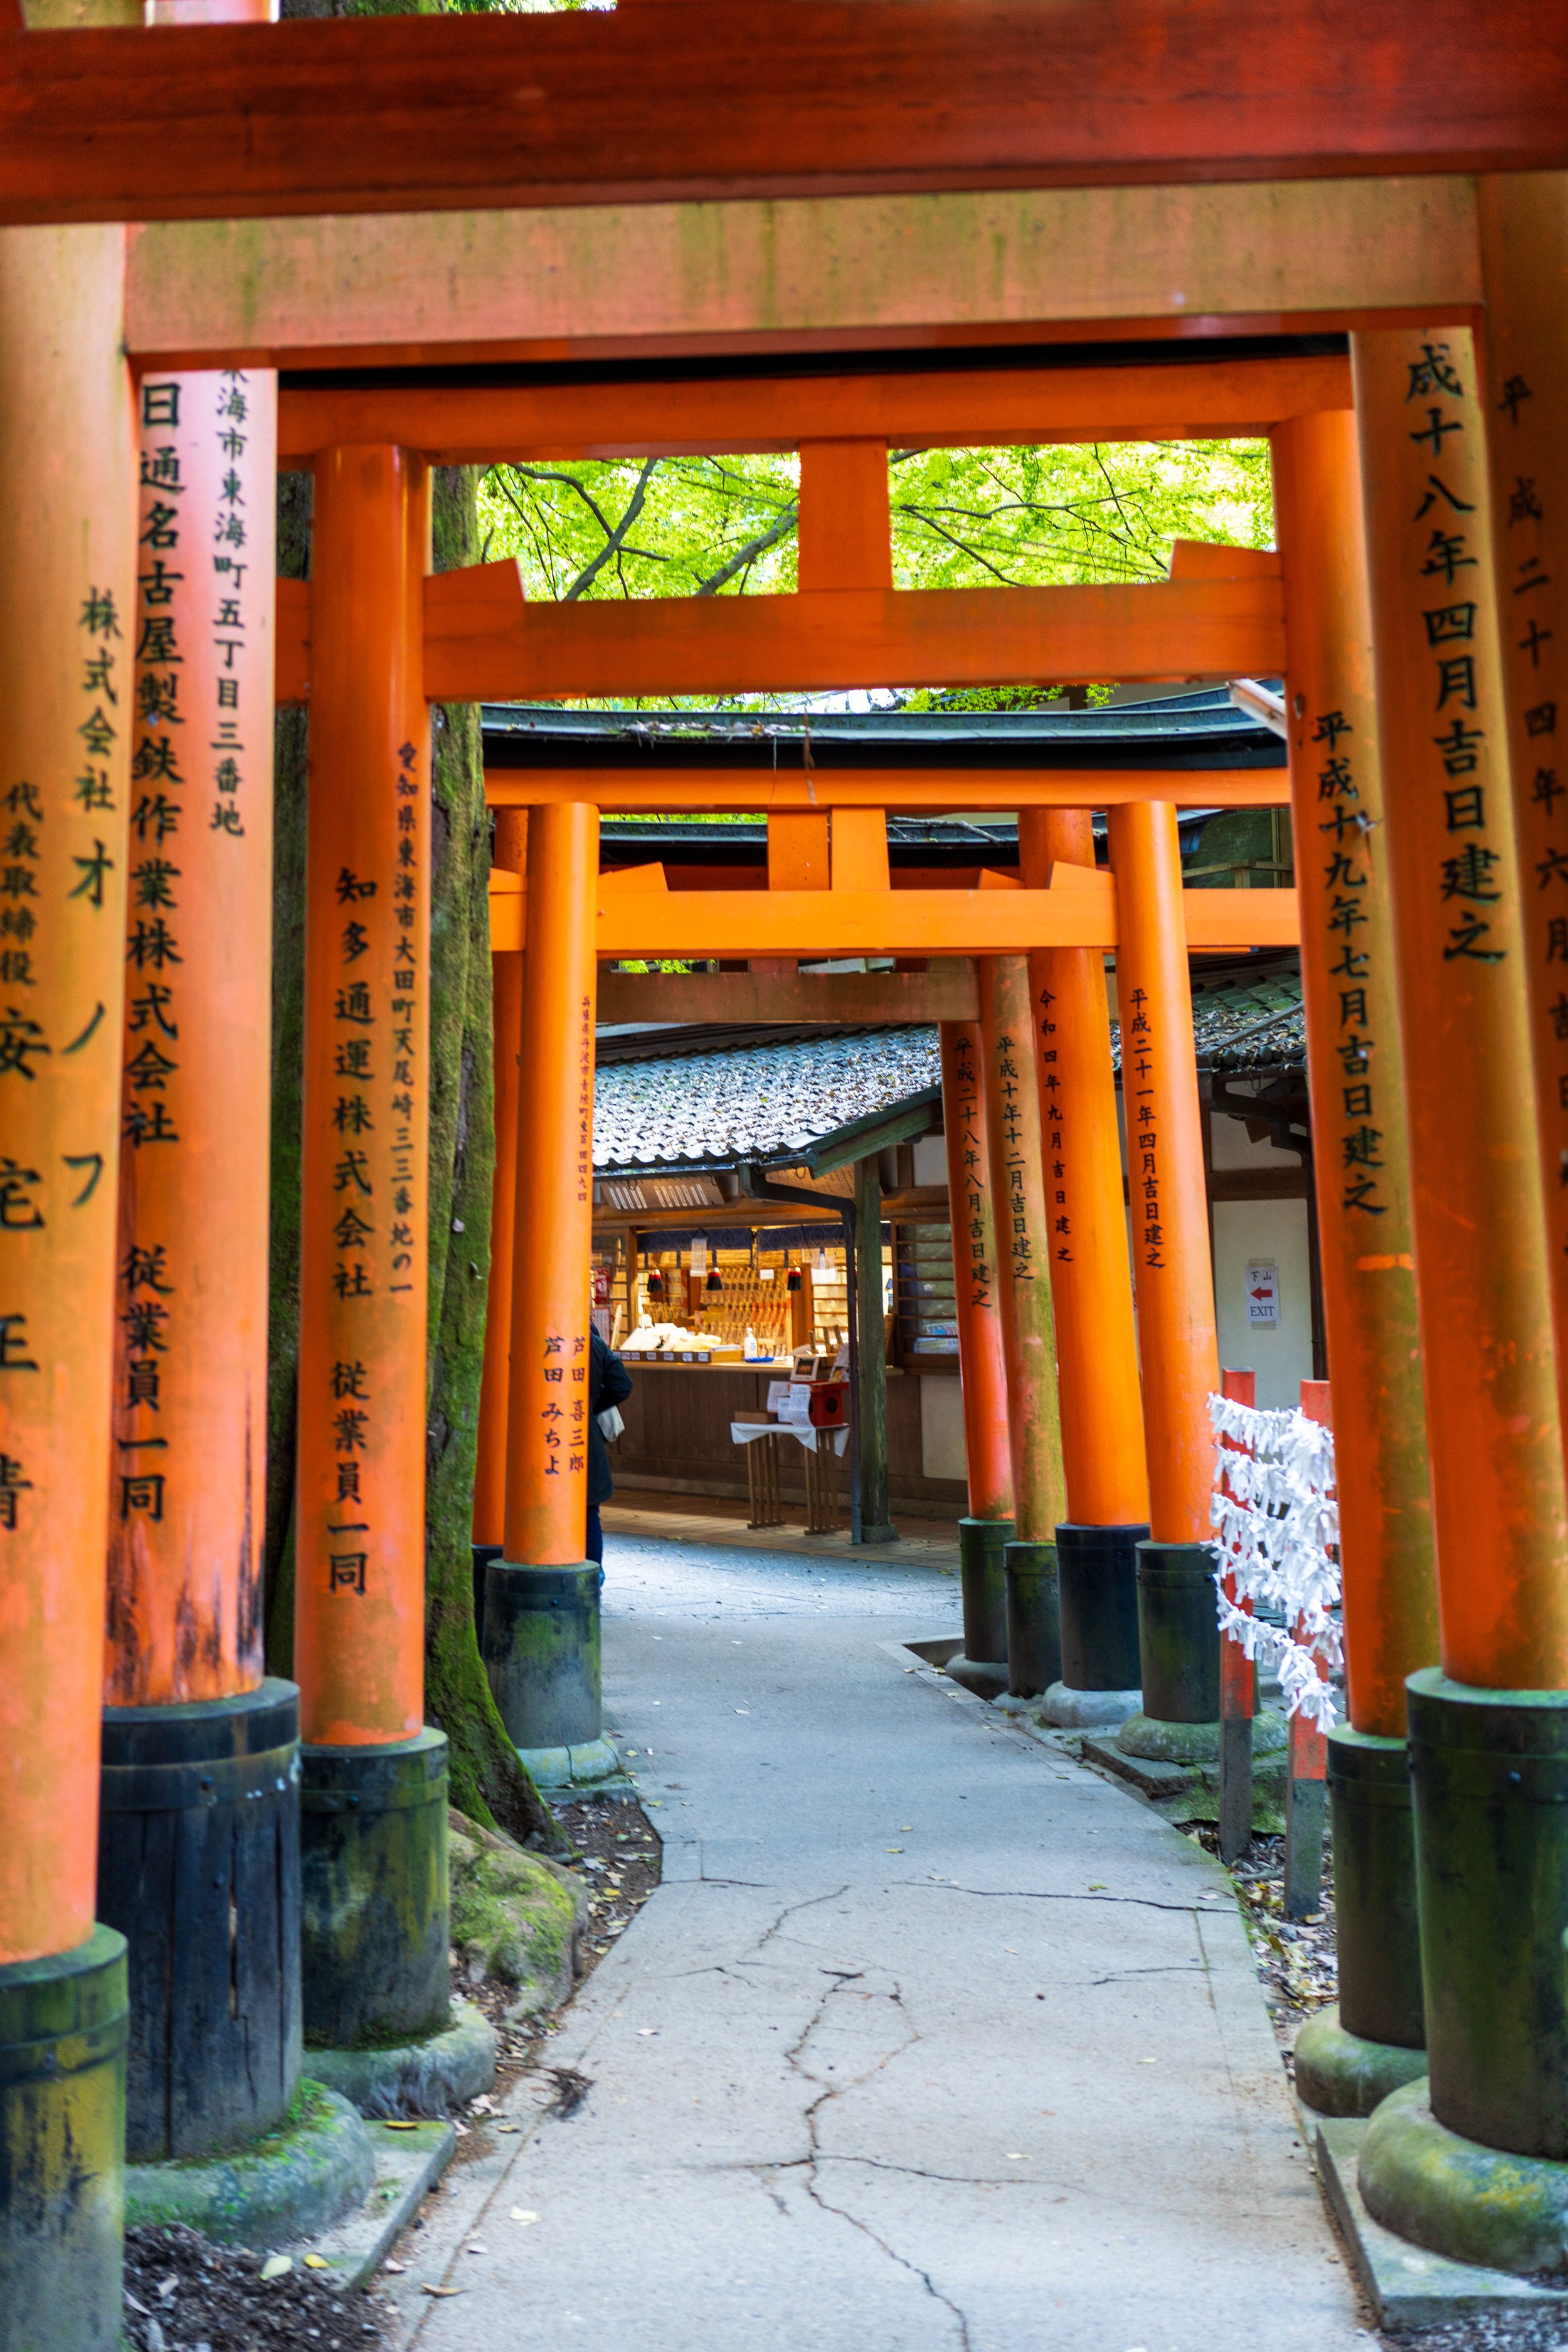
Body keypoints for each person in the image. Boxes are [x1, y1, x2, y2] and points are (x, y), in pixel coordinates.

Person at [586, 1322, 633, 1569]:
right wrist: (592, 1407)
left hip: (541, 1440)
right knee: (589, 1512)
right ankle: (593, 1575)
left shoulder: (531, 1338)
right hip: (585, 1438)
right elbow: (622, 1384)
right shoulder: (591, 1341)